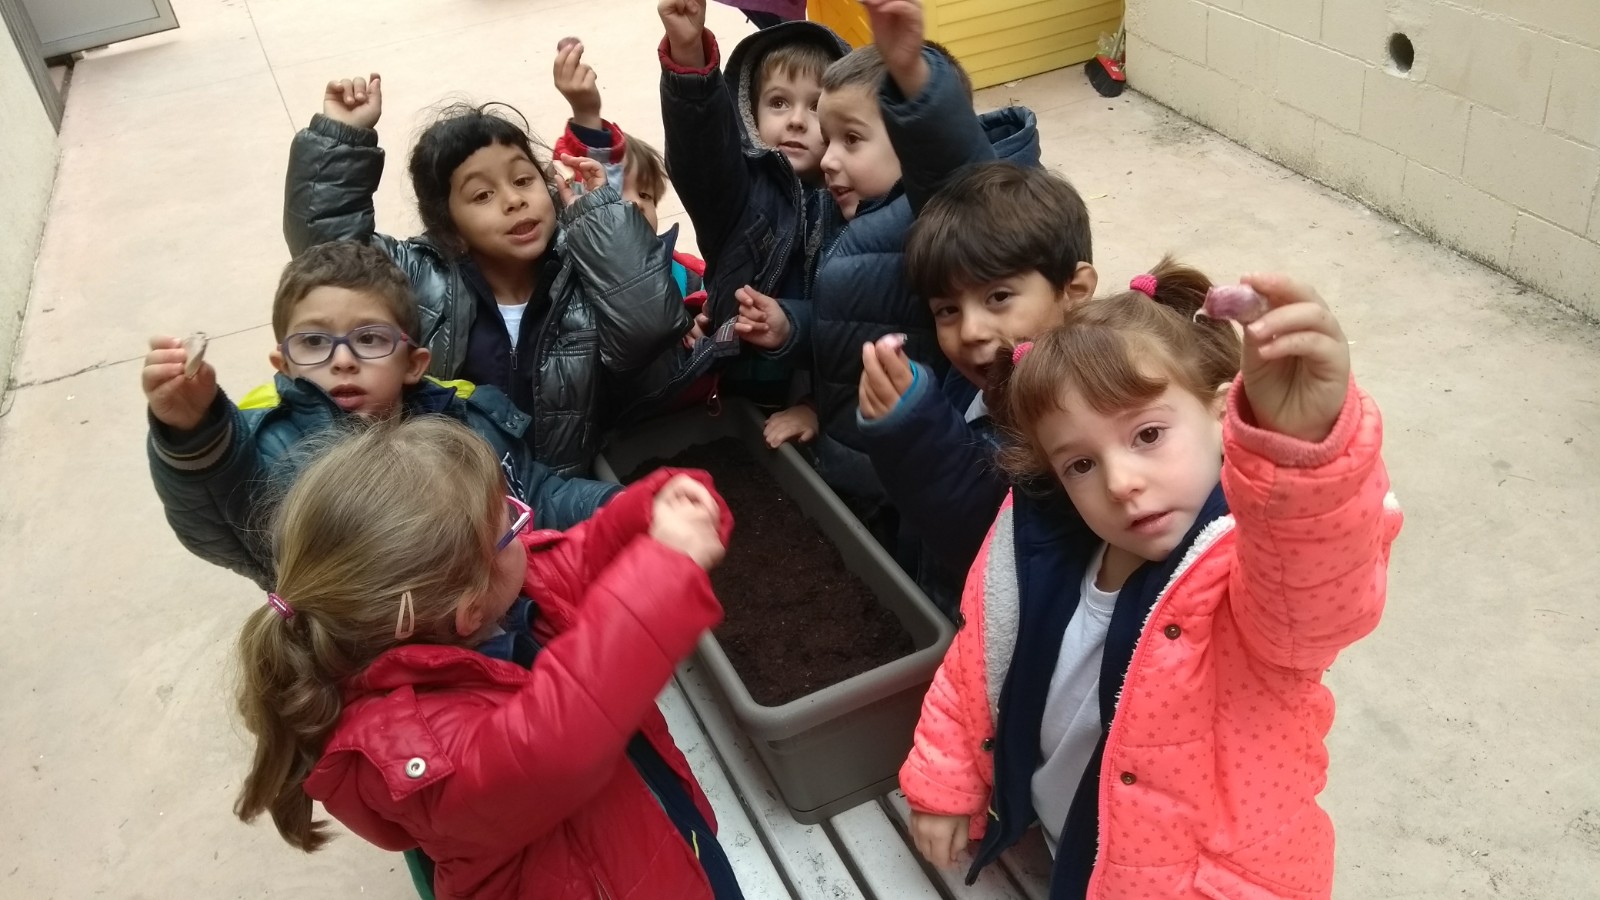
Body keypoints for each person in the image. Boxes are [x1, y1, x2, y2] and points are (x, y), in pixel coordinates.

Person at [899, 263, 1403, 898]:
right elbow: (976, 667)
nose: (1120, 482)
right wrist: (945, 782)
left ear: (1221, 415)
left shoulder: (1255, 572)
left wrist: (1298, 450)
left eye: (1148, 434)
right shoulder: (1039, 557)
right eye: (1081, 464)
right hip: (1067, 850)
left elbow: (1318, 589)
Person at [232, 415, 744, 900]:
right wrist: (664, 571)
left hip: (666, 842)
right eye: (512, 525)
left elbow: (581, 558)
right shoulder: (421, 752)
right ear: (468, 610)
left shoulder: (503, 599)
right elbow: (557, 743)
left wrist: (647, 513)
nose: (526, 525)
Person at [735, 0, 1041, 557]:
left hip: (922, 470)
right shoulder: (852, 211)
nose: (829, 159)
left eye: (851, 139)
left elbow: (958, 177)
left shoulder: (935, 214)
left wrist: (914, 79)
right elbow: (853, 327)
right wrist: (792, 327)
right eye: (829, 140)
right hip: (877, 470)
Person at [145, 242, 617, 591]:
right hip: (366, 668)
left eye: (369, 339)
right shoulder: (271, 452)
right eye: (314, 341)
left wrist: (627, 507)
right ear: (283, 364)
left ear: (414, 364)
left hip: (496, 621)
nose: (342, 360)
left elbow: (539, 496)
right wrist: (194, 432)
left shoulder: (467, 420)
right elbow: (220, 529)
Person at [284, 75, 687, 476]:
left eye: (523, 180)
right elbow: (328, 253)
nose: (514, 200)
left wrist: (601, 220)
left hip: (565, 491)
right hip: (449, 494)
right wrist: (342, 138)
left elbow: (649, 329)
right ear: (450, 227)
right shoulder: (420, 277)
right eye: (482, 195)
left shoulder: (584, 270)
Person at [855, 162, 1096, 611]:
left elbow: (998, 545)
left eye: (998, 297)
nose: (970, 331)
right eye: (947, 310)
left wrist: (914, 433)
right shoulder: (971, 379)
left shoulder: (1088, 422)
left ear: (1074, 290)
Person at [650, 0, 848, 424]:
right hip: (736, 393)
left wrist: (816, 406)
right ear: (750, 111)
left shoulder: (858, 205)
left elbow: (864, 322)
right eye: (778, 102)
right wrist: (689, 56)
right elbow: (701, 154)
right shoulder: (739, 193)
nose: (796, 120)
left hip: (825, 403)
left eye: (816, 107)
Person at [548, 39, 709, 327]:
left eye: (646, 194)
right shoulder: (577, 281)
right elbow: (582, 187)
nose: (636, 202)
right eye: (616, 190)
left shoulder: (691, 274)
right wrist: (586, 115)